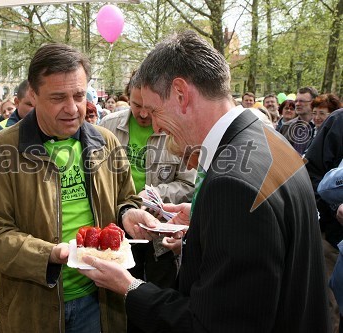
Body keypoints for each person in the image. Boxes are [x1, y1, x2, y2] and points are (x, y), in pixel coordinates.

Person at [79, 30, 329, 332]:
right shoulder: (268, 140)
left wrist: (130, 287)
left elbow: (214, 324)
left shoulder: (232, 185)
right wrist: (200, 234)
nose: (154, 124)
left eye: (155, 110)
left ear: (182, 94)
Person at [0, 43, 141, 332]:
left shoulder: (106, 141)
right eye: (58, 97)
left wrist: (129, 213)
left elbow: (126, 198)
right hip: (33, 304)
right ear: (32, 95)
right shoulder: (2, 149)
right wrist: (49, 254)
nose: (72, 108)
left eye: (79, 95)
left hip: (99, 301)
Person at [99, 69, 195, 332]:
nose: (142, 114)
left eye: (149, 108)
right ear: (127, 97)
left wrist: (152, 197)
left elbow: (188, 182)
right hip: (117, 231)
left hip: (160, 237)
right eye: (135, 105)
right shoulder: (107, 127)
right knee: (116, 298)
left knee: (157, 301)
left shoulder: (175, 129)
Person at [306, 109, 343, 333]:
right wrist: (335, 207)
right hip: (333, 240)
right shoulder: (338, 122)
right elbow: (310, 173)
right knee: (333, 310)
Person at [280, 86, 318, 155]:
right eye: (296, 101)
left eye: (302, 101)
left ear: (313, 102)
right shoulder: (286, 126)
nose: (297, 104)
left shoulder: (321, 126)